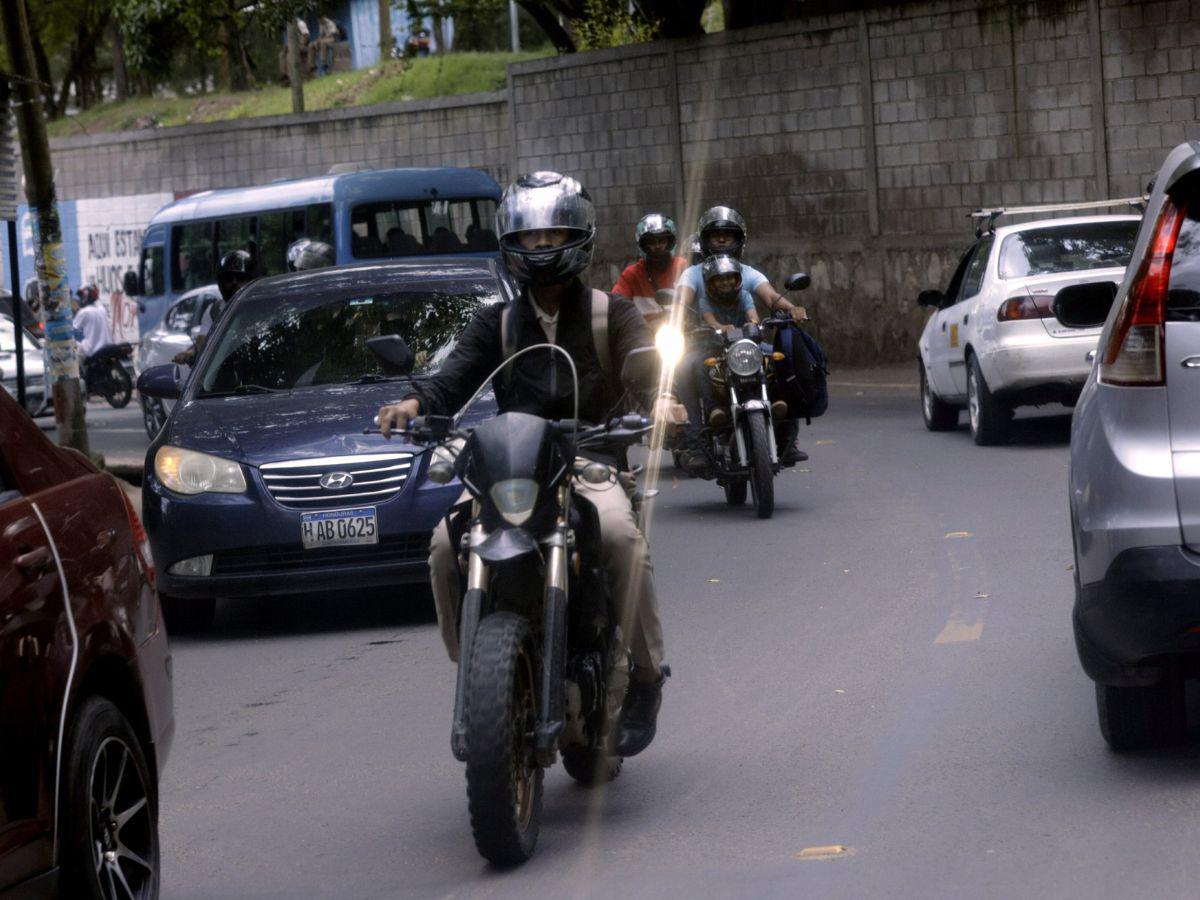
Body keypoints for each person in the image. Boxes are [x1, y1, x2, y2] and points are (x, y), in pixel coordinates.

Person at [377, 171, 683, 757]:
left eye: (554, 236)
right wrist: (415, 404)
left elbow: (643, 363)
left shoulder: (609, 313)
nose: (542, 248)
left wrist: (660, 397)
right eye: (530, 237)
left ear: (579, 238)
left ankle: (646, 679)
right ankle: (477, 674)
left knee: (621, 539)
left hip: (589, 461)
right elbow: (452, 379)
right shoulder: (495, 322)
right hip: (513, 470)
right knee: (446, 546)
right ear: (511, 243)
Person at [675, 205, 809, 465]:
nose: (723, 240)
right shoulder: (693, 274)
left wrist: (792, 308)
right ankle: (696, 446)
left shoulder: (747, 273)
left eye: (729, 235)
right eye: (716, 235)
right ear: (705, 241)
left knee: (783, 360)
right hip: (706, 344)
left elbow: (769, 296)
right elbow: (682, 301)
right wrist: (675, 316)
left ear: (740, 240)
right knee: (683, 368)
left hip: (749, 346)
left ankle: (788, 438)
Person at [173, 250, 256, 366]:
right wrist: (191, 353)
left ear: (251, 281)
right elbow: (203, 343)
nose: (234, 283)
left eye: (240, 279)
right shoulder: (214, 311)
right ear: (221, 283)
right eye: (228, 279)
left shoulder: (265, 308)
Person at [612, 213, 689, 308]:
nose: (657, 247)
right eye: (651, 242)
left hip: (679, 322)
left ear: (670, 243)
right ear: (643, 246)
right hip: (641, 323)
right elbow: (615, 304)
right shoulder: (632, 275)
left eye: (662, 241)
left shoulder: (682, 267)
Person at [72, 284, 111, 367]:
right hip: (107, 345)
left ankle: (77, 378)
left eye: (81, 296)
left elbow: (72, 329)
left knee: (73, 358)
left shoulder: (84, 312)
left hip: (91, 348)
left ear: (86, 295)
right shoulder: (102, 309)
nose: (80, 298)